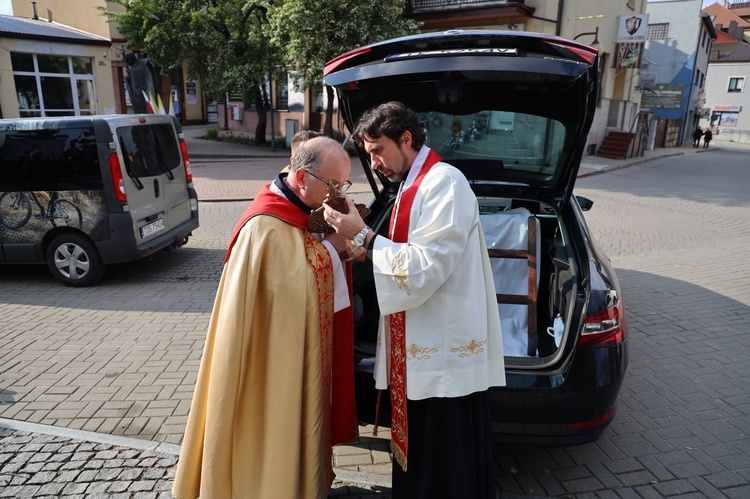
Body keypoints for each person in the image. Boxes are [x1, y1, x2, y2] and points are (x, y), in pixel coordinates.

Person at [323, 101, 506, 499]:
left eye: (378, 151)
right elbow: (402, 250)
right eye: (368, 154)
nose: (373, 164)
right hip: (420, 346)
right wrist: (364, 248)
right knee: (422, 458)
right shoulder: (409, 185)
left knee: (445, 460)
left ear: (406, 139)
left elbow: (425, 267)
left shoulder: (445, 183)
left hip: (443, 352)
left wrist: (365, 238)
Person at [172, 136, 356, 499]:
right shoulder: (264, 226)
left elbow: (299, 267)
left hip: (287, 349)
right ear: (301, 177)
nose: (337, 193)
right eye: (333, 184)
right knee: (268, 421)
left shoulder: (299, 208)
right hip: (266, 361)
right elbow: (294, 283)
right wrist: (333, 250)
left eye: (343, 184)